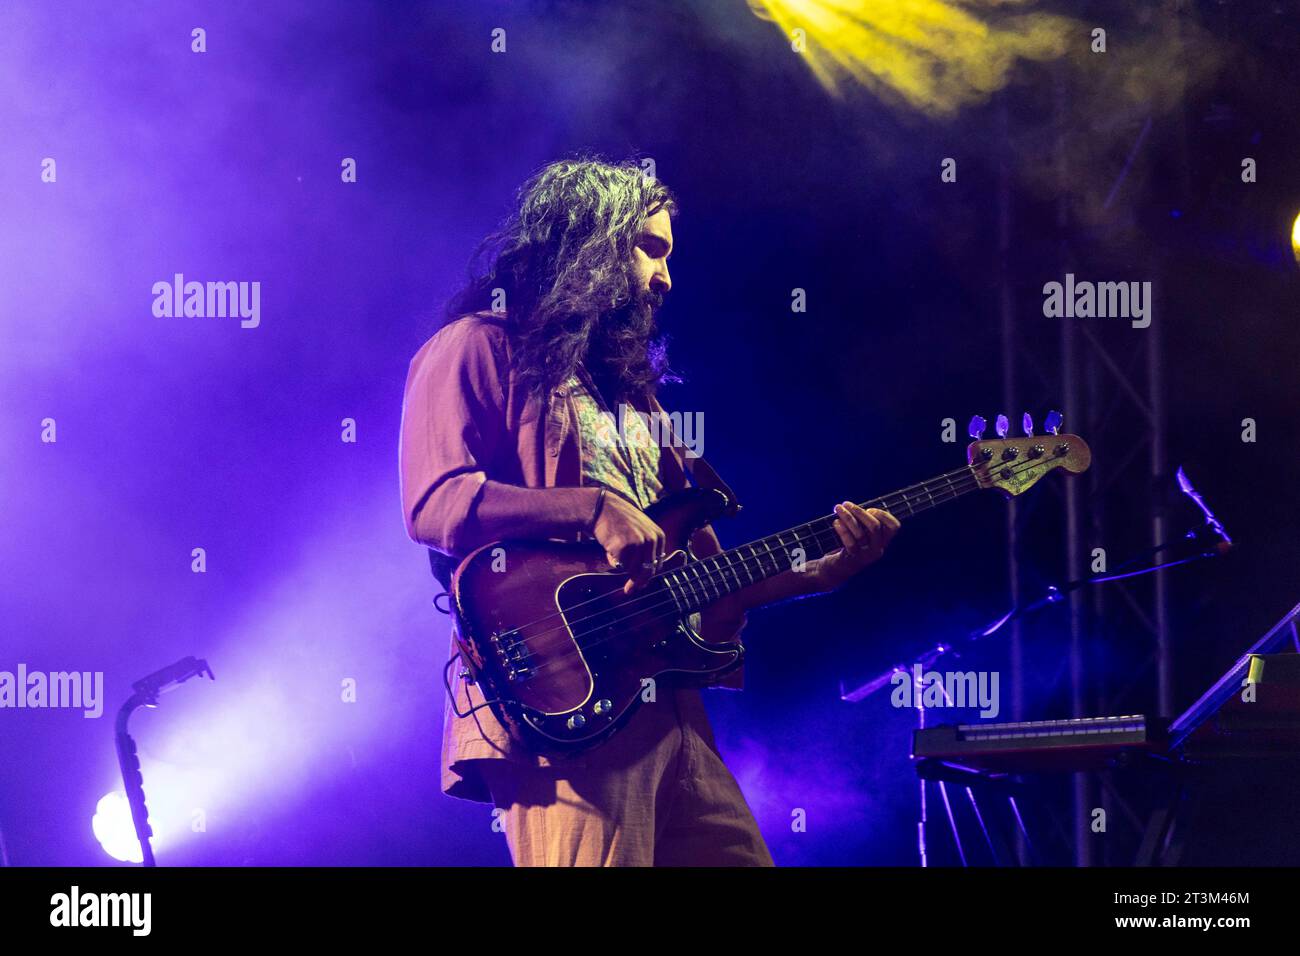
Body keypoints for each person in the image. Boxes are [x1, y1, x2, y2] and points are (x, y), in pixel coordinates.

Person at [399, 157, 899, 866]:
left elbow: (708, 575)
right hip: (563, 693)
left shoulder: (639, 401)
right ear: (586, 242)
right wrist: (593, 508)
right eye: (651, 249)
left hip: (668, 704)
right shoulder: (478, 345)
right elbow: (435, 503)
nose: (666, 277)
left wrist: (817, 573)